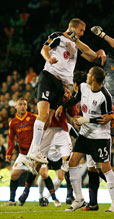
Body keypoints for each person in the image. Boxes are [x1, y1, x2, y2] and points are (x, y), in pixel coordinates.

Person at [66, 25, 114, 211]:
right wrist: (75, 40)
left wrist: (103, 35)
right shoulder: (108, 63)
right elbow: (90, 55)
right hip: (96, 105)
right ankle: (94, 202)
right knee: (92, 162)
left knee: (101, 161)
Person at [55, 66, 114, 212]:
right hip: (85, 134)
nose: (87, 75)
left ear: (94, 78)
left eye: (89, 73)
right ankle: (79, 199)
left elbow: (105, 119)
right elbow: (75, 99)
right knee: (72, 162)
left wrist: (85, 120)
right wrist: (63, 107)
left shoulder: (105, 96)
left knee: (105, 169)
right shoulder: (84, 87)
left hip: (100, 137)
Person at [26, 18, 86, 164]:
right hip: (48, 77)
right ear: (72, 28)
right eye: (81, 30)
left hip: (60, 85)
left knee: (47, 121)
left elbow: (89, 53)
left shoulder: (76, 45)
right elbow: (44, 49)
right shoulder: (57, 36)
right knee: (43, 114)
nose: (82, 33)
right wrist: (49, 58)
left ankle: (30, 154)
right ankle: (34, 150)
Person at [3, 98, 36, 206]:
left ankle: (36, 195)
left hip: (35, 153)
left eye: (25, 104)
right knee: (14, 175)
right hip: (22, 154)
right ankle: (12, 200)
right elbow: (11, 139)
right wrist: (8, 153)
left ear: (27, 106)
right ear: (15, 107)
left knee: (42, 174)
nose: (23, 106)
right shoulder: (13, 123)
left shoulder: (33, 117)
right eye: (20, 104)